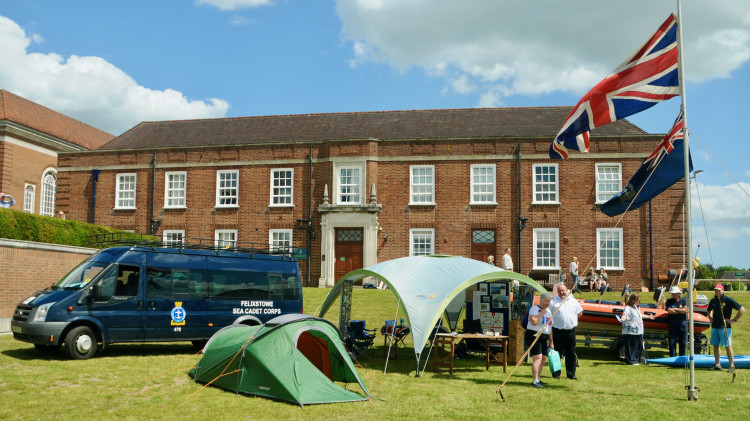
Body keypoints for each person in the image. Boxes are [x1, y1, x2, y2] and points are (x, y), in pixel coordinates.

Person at [707, 284, 745, 372]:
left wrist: (734, 320)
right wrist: (710, 317)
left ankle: (732, 365)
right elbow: (709, 309)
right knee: (715, 345)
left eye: (719, 290)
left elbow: (742, 309)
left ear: (723, 290)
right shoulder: (713, 300)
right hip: (715, 326)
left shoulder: (728, 300)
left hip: (725, 327)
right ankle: (717, 364)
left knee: (728, 346)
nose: (717, 292)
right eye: (716, 290)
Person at [549, 283, 583, 379]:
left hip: (570, 331)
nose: (561, 292)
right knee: (556, 353)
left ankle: (571, 374)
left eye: (563, 290)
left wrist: (572, 319)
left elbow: (580, 313)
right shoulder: (553, 302)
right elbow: (548, 315)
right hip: (557, 331)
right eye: (559, 291)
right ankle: (556, 374)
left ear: (567, 290)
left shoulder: (573, 301)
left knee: (571, 353)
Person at [527, 292, 554, 389]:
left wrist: (551, 341)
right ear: (541, 300)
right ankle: (535, 381)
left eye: (549, 301)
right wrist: (542, 313)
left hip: (544, 336)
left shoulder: (550, 312)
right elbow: (534, 322)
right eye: (546, 301)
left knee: (543, 359)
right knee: (537, 357)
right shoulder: (535, 309)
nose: (547, 303)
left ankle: (538, 378)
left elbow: (550, 327)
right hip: (534, 335)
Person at [620, 293, 652, 365]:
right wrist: (622, 319)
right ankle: (630, 361)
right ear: (634, 300)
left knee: (636, 346)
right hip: (630, 331)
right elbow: (625, 315)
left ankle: (635, 360)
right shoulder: (628, 308)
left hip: (638, 331)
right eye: (638, 300)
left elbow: (640, 315)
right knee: (631, 346)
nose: (639, 301)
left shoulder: (636, 308)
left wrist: (649, 317)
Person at [665, 286, 688, 357]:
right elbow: (670, 311)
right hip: (673, 323)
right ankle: (672, 357)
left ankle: (682, 357)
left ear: (678, 294)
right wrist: (680, 311)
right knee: (672, 342)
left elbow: (685, 311)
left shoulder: (683, 301)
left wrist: (675, 309)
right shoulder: (669, 301)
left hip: (682, 323)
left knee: (683, 342)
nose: (673, 295)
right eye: (673, 293)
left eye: (675, 293)